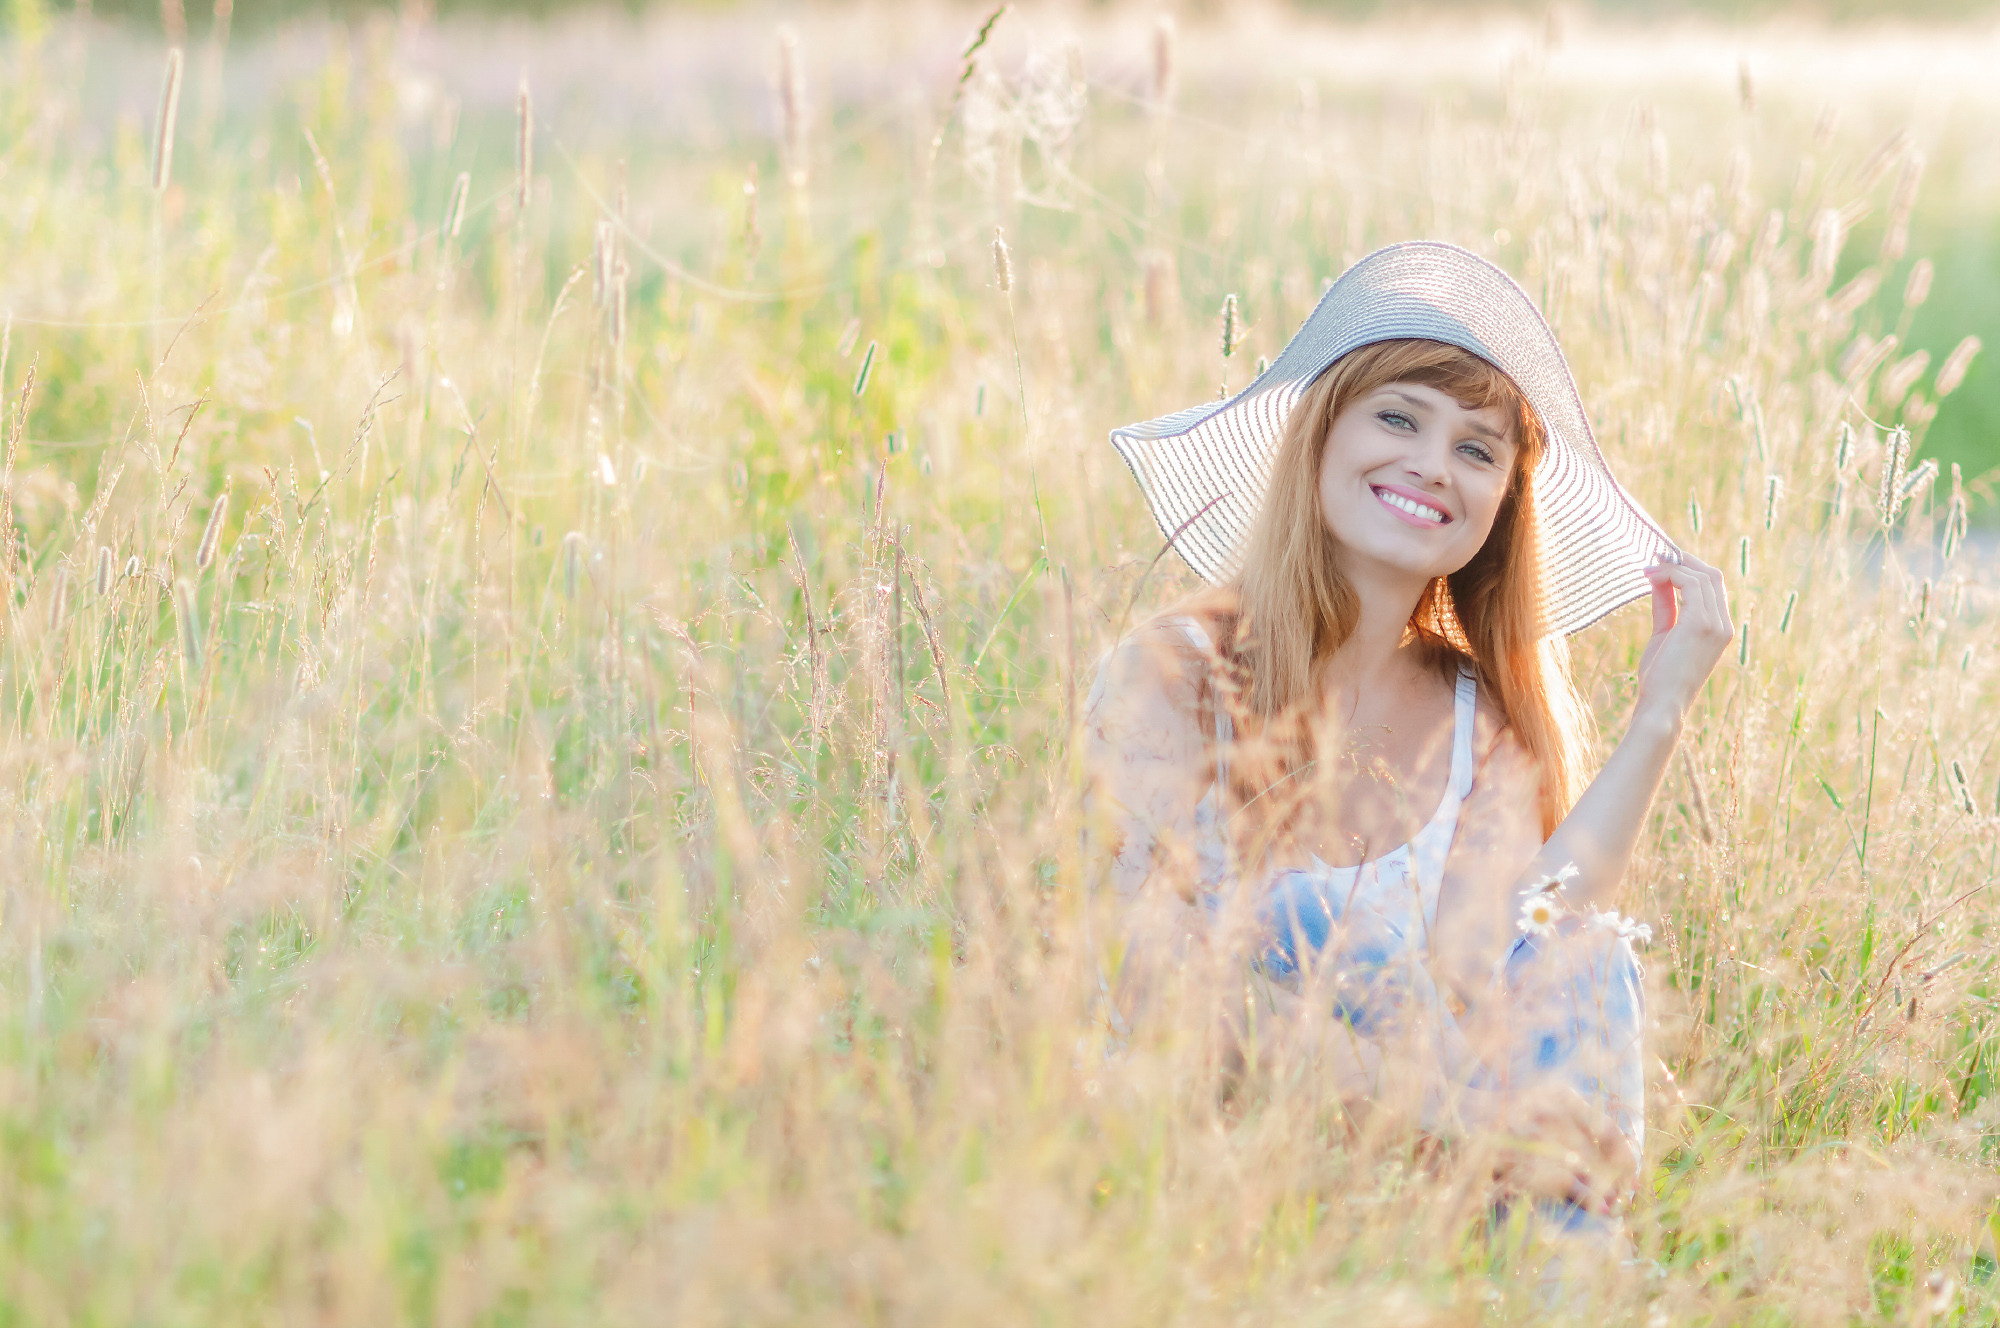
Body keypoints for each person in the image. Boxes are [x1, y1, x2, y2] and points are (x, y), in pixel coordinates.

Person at [1082, 241, 1732, 1241]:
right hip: (1208, 1167)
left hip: (1415, 1186)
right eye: (1396, 417)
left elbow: (1514, 948)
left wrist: (1659, 712)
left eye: (1476, 448)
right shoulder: (1173, 673)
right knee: (1315, 928)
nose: (1431, 464)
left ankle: (1564, 1293)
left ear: (1497, 508)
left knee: (1588, 960)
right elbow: (1167, 997)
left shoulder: (1474, 710)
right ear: (1320, 435)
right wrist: (1471, 1117)